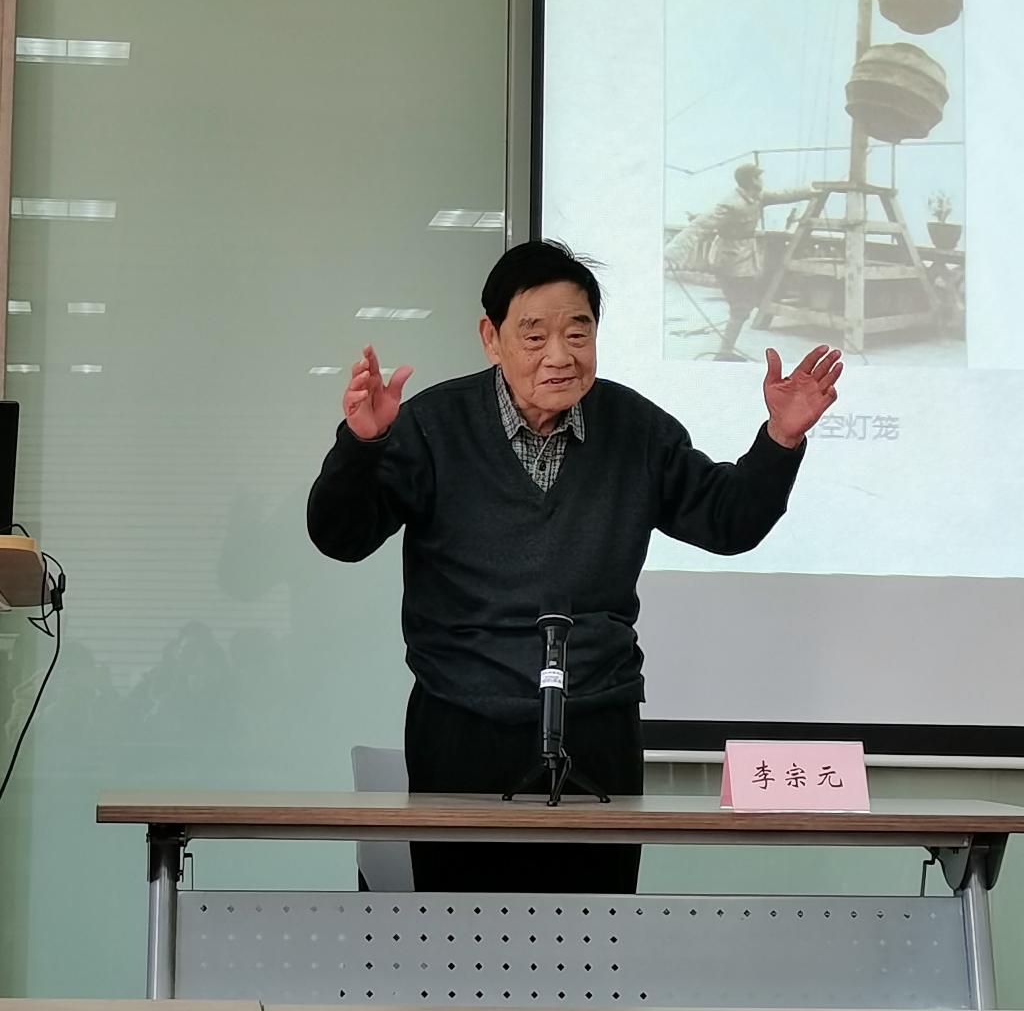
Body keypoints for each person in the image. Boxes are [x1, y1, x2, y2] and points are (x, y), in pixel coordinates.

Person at [307, 239, 842, 894]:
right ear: (491, 338)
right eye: (534, 335)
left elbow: (727, 522)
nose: (559, 355)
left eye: (578, 332)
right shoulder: (433, 426)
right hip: (464, 727)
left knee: (597, 937)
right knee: (462, 939)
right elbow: (341, 536)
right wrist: (361, 447)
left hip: (598, 725)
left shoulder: (635, 429)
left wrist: (781, 440)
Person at [666, 163, 816, 361]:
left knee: (742, 307)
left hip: (744, 259)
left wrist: (811, 191)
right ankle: (724, 354)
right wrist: (672, 253)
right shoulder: (731, 204)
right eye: (758, 177)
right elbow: (699, 227)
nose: (762, 180)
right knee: (740, 308)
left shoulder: (758, 196)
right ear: (751, 180)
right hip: (728, 261)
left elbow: (783, 195)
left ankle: (725, 351)